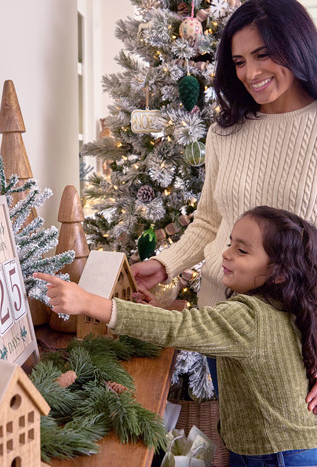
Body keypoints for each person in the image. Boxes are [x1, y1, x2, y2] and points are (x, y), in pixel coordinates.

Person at [129, 0, 317, 410]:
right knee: (239, 444)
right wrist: (165, 264)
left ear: (298, 46)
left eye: (263, 55)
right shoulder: (225, 133)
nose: (250, 73)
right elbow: (211, 220)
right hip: (221, 319)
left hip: (298, 338)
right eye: (239, 61)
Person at [34, 206, 317, 465]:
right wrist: (158, 310)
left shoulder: (251, 316)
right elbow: (202, 331)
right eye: (230, 243)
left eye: (242, 251)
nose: (226, 253)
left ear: (279, 273)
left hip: (277, 455)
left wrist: (90, 303)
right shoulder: (280, 306)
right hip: (282, 447)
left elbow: (179, 328)